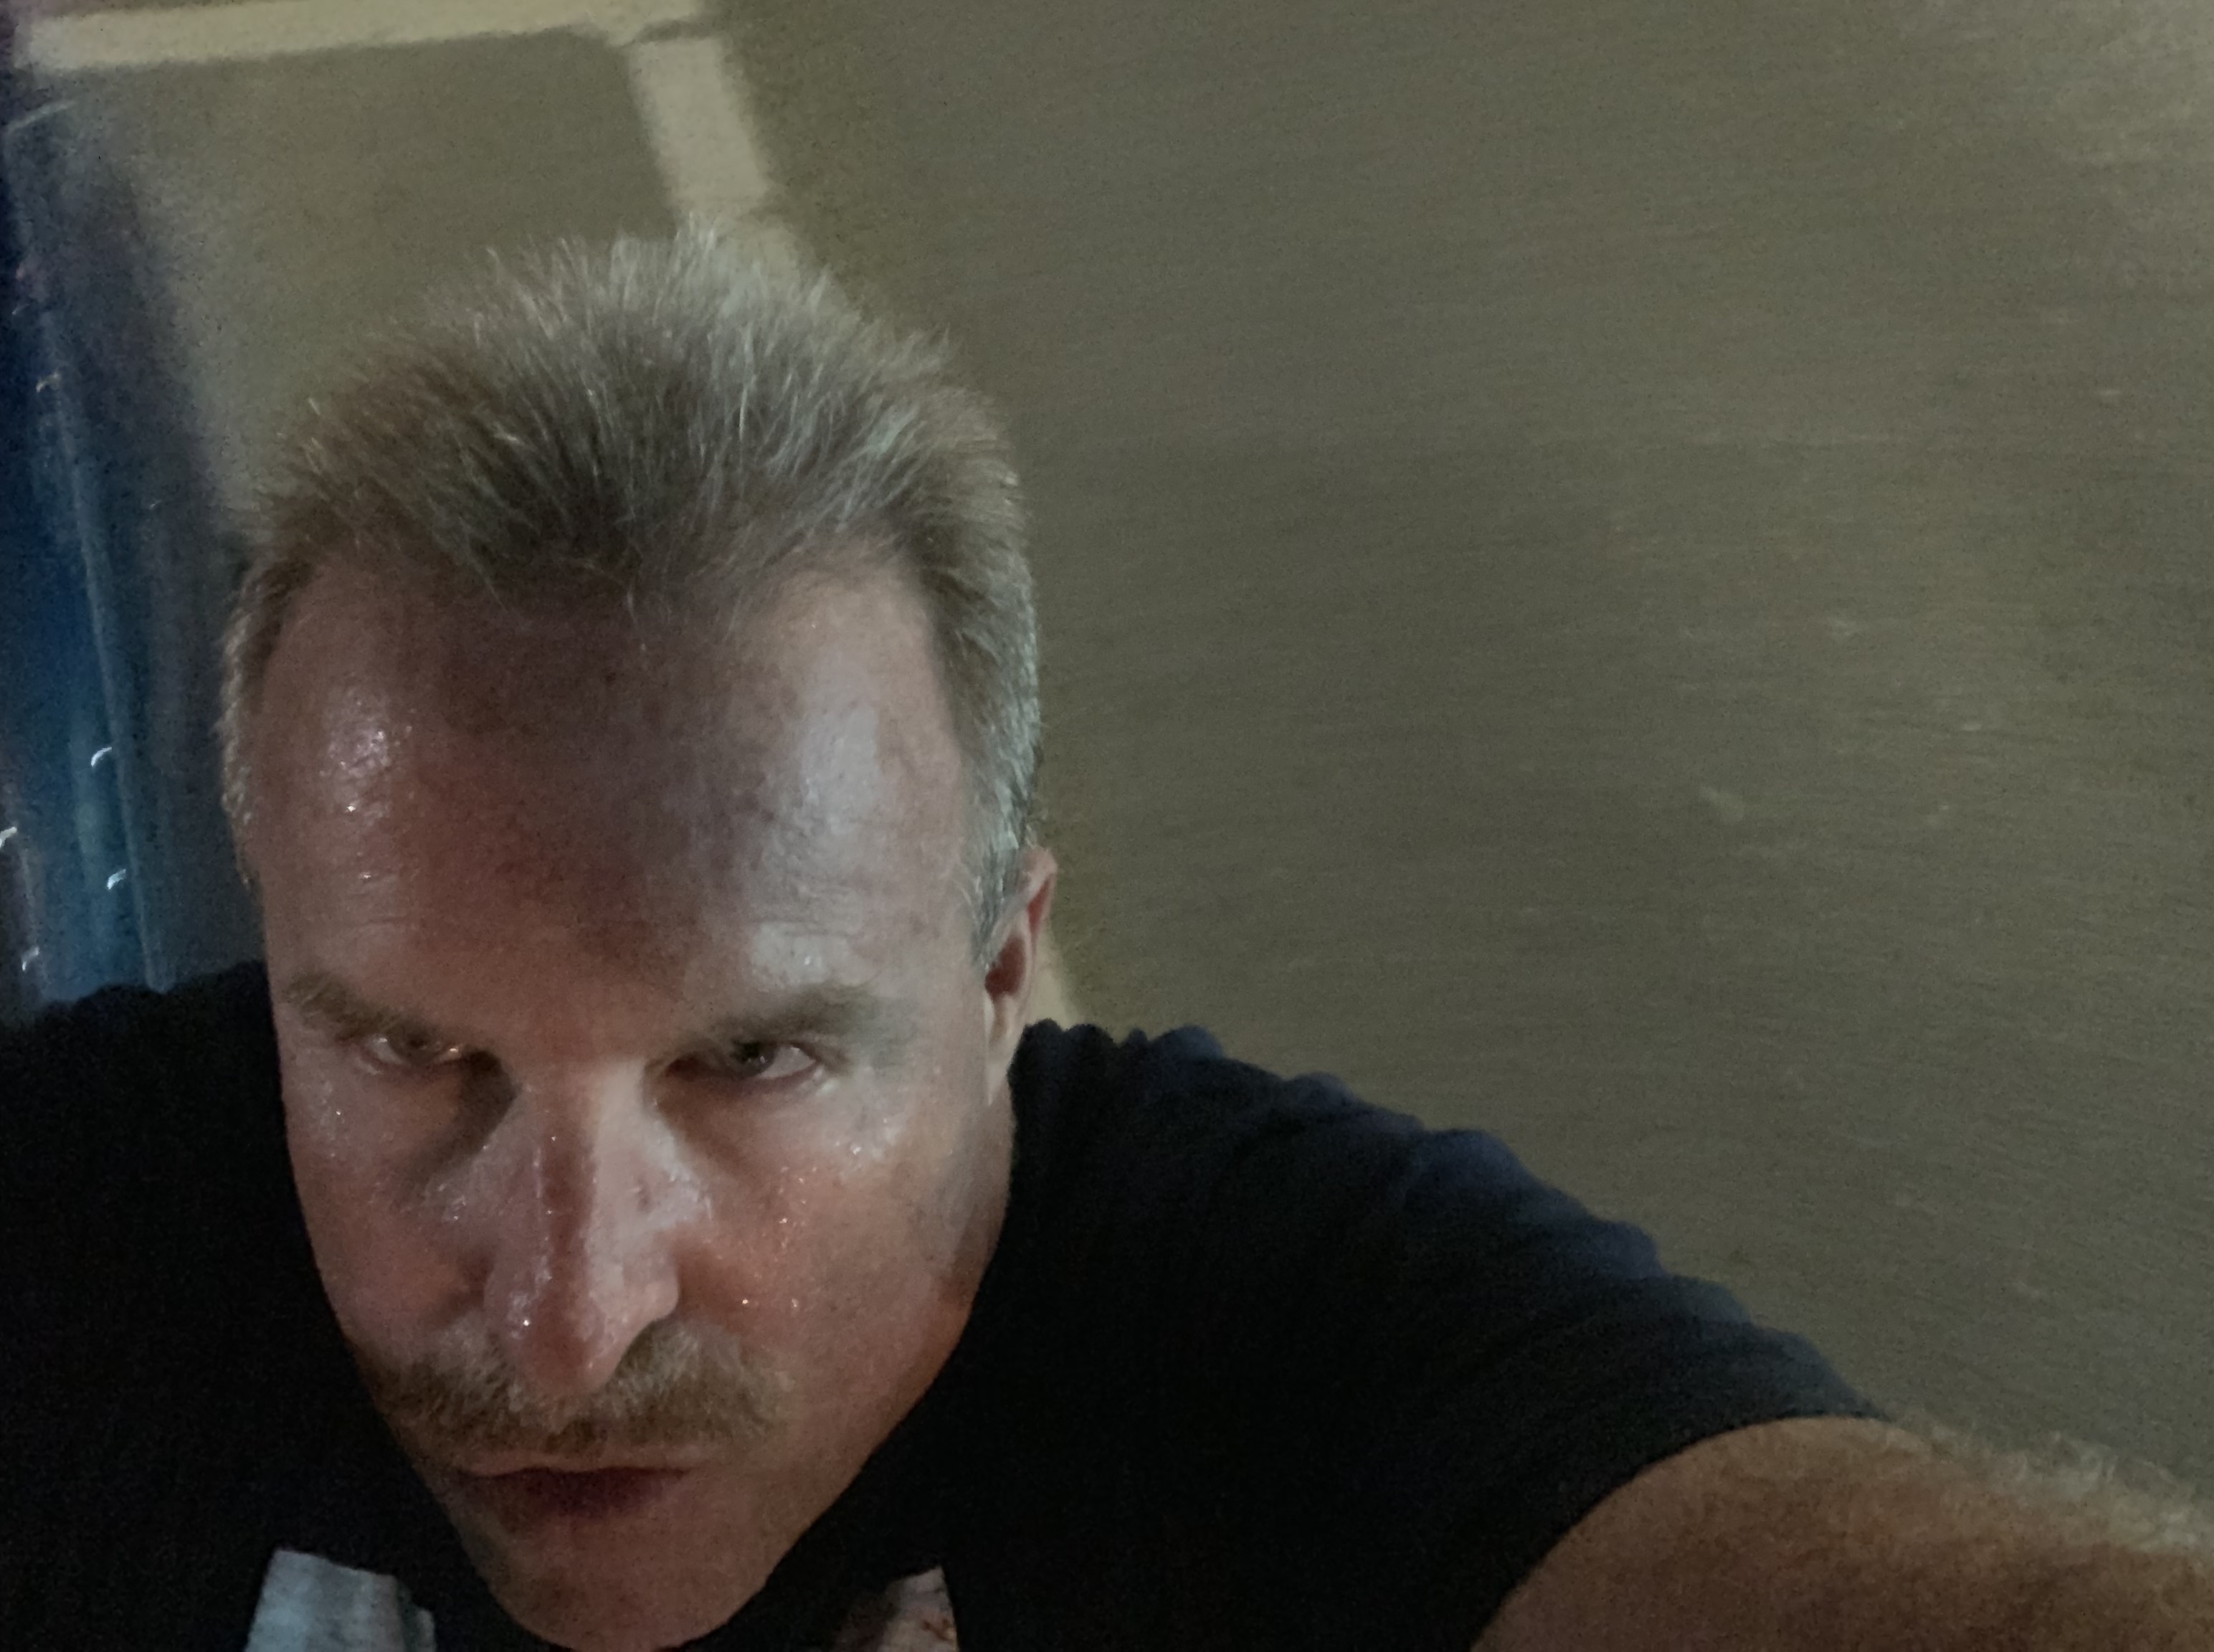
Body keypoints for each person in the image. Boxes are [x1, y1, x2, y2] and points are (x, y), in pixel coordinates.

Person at [2, 229, 2208, 1652]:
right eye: (412, 1053)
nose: (570, 1325)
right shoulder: (99, 1232)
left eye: (751, 1062)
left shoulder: (1268, 1336)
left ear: (999, 980)